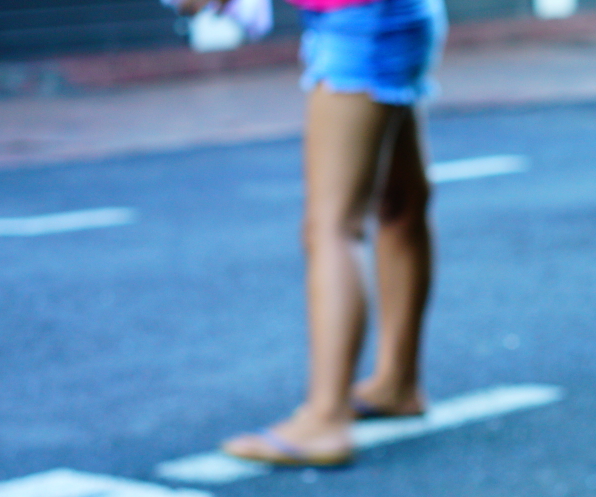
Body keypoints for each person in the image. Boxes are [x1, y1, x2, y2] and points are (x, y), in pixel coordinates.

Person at [180, 0, 446, 467]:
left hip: (359, 18)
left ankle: (325, 419)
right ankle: (397, 383)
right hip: (383, 12)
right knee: (398, 204)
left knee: (332, 225)